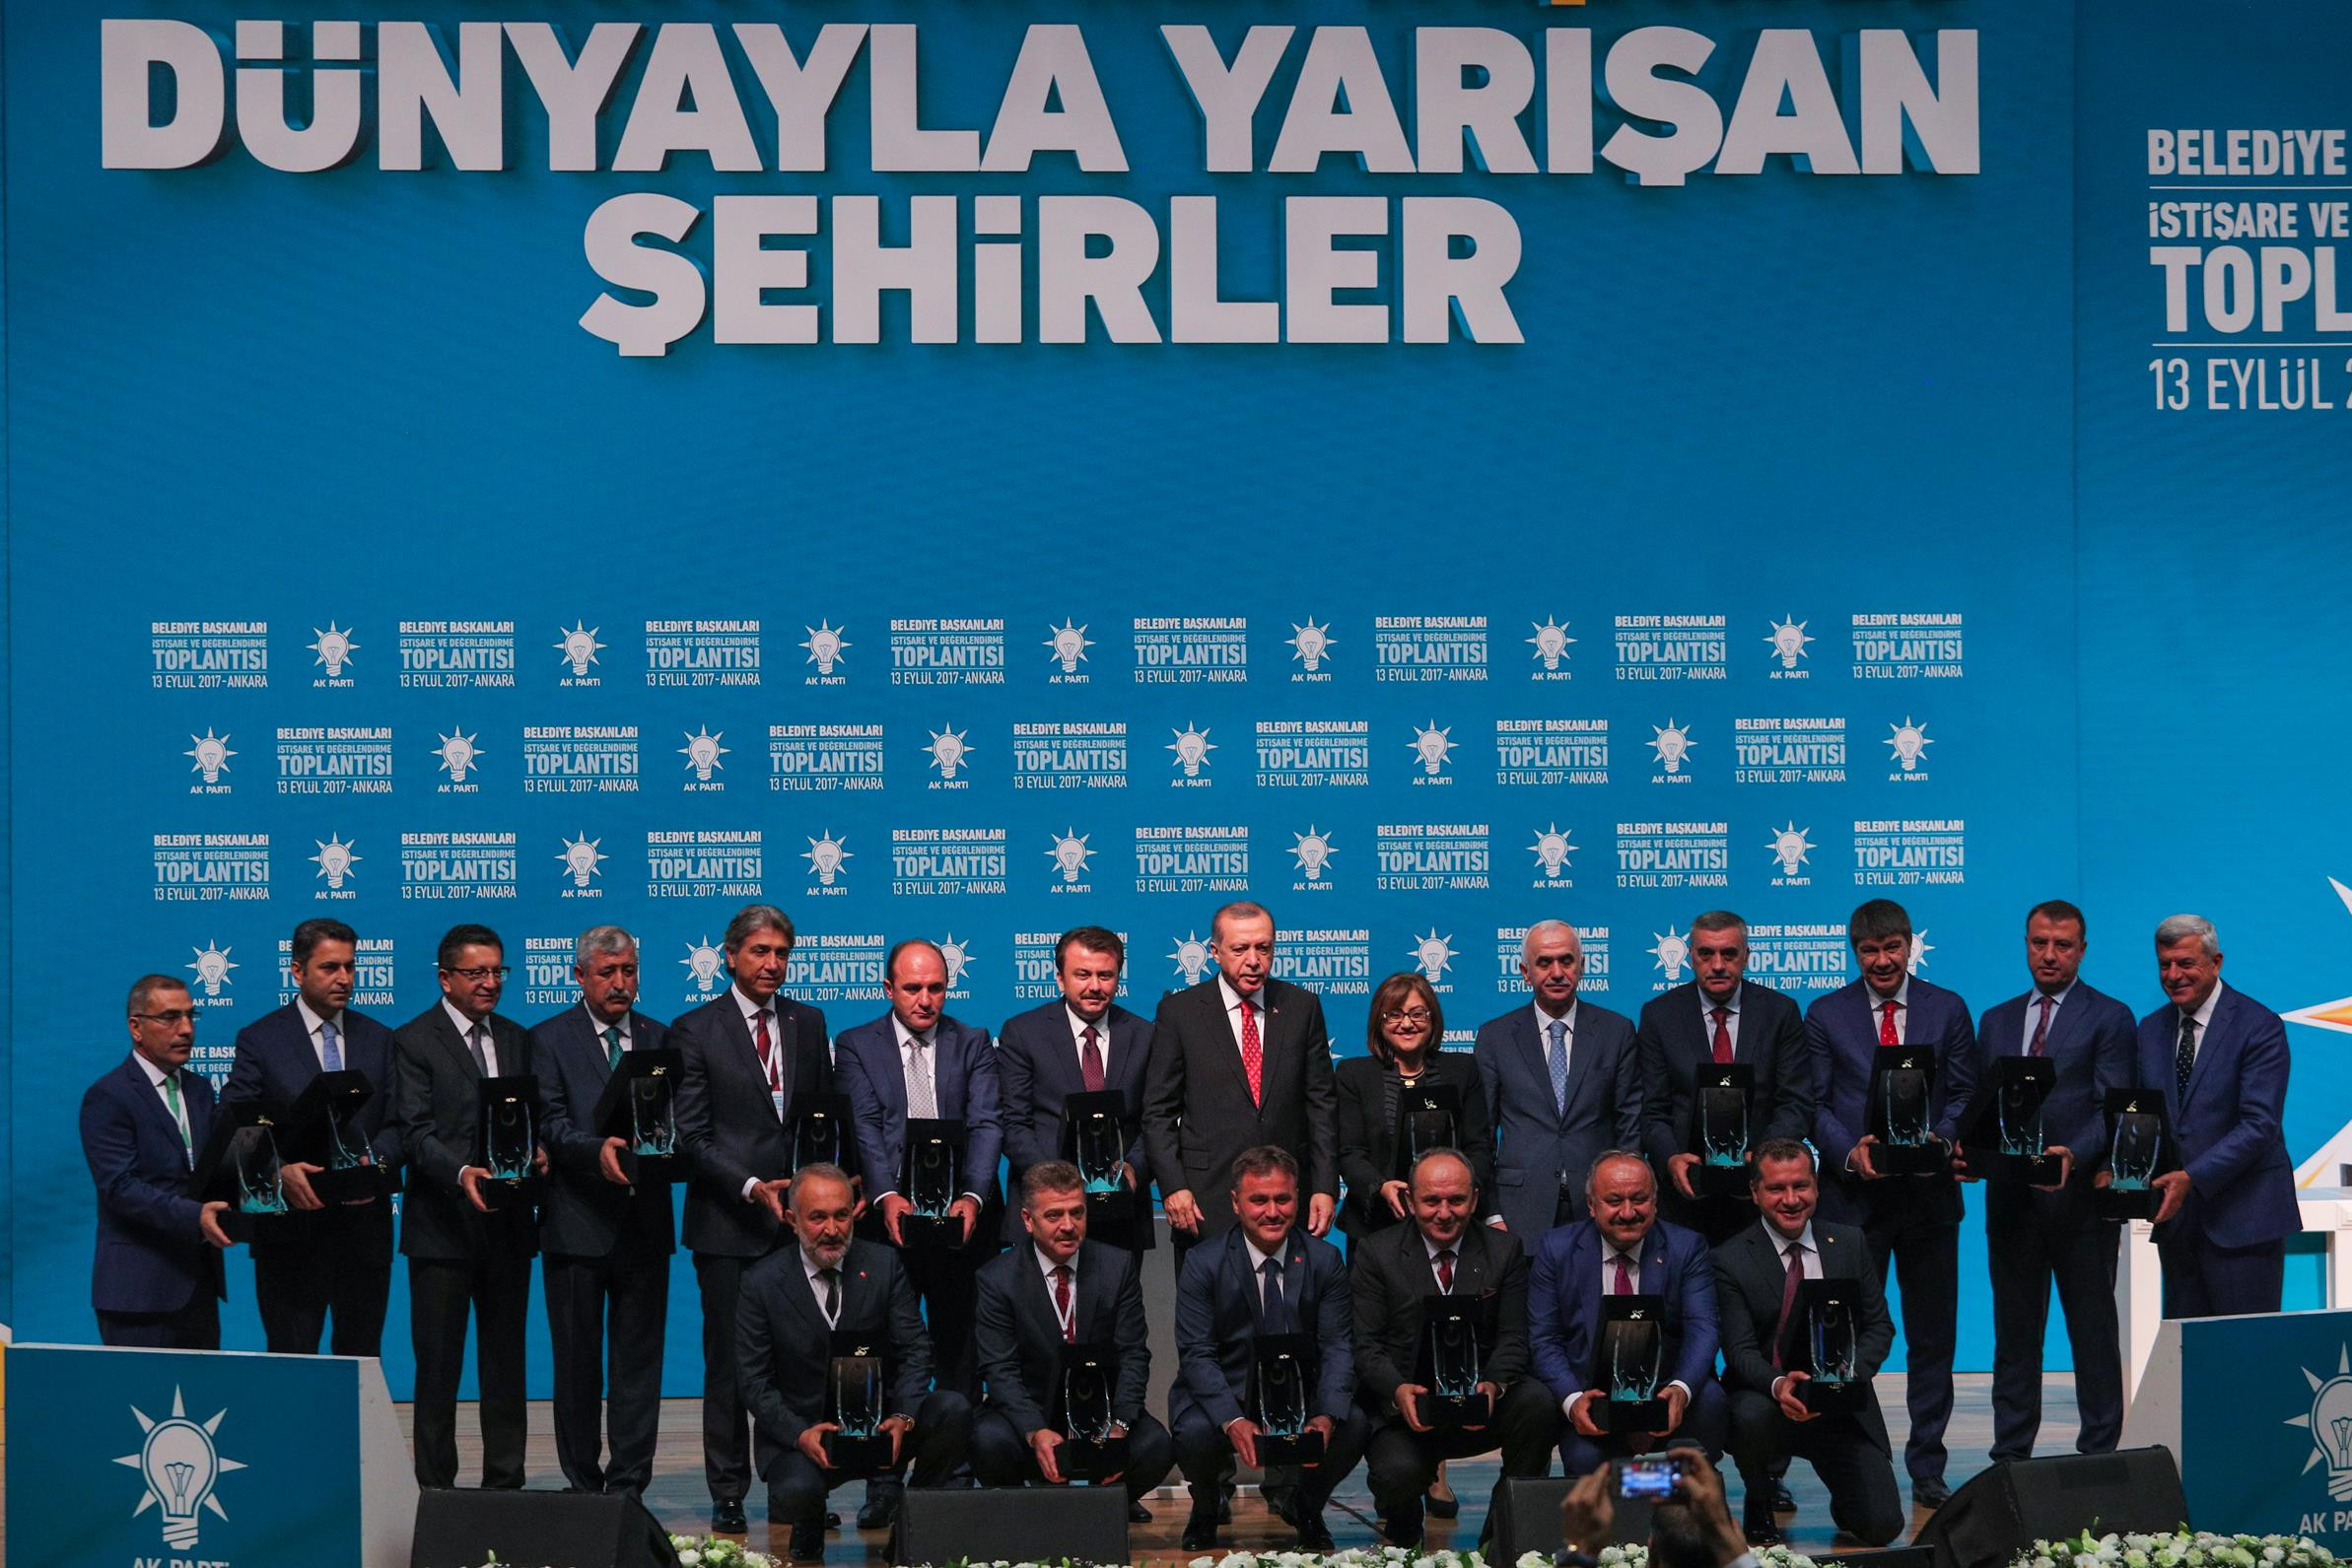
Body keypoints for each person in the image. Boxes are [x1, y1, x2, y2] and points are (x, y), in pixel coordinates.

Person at [1804, 898, 1976, 1509]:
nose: (1882, 960)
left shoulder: (1947, 1008)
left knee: (1933, 1340)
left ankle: (1928, 1466)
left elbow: (1965, 1093)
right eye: (1869, 950)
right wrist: (1849, 1153)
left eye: (1892, 947)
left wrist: (1943, 1140)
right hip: (1853, 1203)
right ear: (1855, 951)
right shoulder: (1825, 1013)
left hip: (1930, 1200)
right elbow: (1813, 1103)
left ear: (1910, 946)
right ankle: (1861, 1467)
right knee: (1846, 1342)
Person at [673, 903, 835, 1534]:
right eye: (760, 951)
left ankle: (801, 1488)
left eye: (781, 953)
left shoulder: (807, 1021)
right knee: (729, 1367)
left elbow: (822, 1118)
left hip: (798, 1228)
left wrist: (818, 1190)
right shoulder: (695, 1029)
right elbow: (691, 1135)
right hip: (728, 1224)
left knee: (802, 1361)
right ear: (730, 956)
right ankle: (727, 1491)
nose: (772, 963)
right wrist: (749, 1186)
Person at [836, 938, 1002, 1524]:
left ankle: (953, 1479)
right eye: (912, 988)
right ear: (889, 989)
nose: (925, 999)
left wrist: (973, 1195)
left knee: (960, 1348)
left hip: (962, 1222)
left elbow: (986, 1123)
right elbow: (865, 1125)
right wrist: (885, 1194)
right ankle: (883, 1481)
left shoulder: (973, 1041)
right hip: (890, 1224)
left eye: (936, 987)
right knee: (884, 1351)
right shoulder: (856, 1045)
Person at [736, 1164, 972, 1564]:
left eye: (841, 1215)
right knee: (796, 1491)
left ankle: (909, 1521)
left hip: (881, 1428)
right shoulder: (761, 1282)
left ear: (854, 1213)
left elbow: (916, 1349)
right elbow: (753, 1381)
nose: (832, 1230)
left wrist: (902, 1416)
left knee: (952, 1410)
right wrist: (800, 1434)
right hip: (807, 1432)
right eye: (818, 1218)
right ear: (792, 1220)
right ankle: (809, 1523)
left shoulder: (884, 1264)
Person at [1971, 901, 2135, 1462]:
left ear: (2082, 951)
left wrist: (2075, 1154)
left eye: (2062, 945)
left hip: (2081, 1204)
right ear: (2025, 943)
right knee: (2014, 1338)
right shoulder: (1995, 1019)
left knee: (2093, 1336)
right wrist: (1968, 1153)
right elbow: (1981, 1106)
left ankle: (2100, 1458)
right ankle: (2010, 1459)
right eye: (2039, 942)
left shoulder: (2110, 1016)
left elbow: (2112, 1107)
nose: (2049, 954)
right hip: (2010, 1203)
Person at [390, 922, 540, 1490]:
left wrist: (539, 1150)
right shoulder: (413, 1040)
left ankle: (505, 1486)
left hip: (508, 1227)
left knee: (506, 1367)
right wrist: (460, 1172)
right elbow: (414, 1131)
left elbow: (529, 1117)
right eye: (476, 972)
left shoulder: (518, 1037)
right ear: (445, 978)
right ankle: (435, 1492)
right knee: (438, 1370)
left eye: (498, 971)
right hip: (441, 1230)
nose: (490, 983)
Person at [1350, 1146, 1559, 1546]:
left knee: (1538, 1404)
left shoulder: (1504, 1250)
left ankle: (1500, 1537)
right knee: (1395, 1474)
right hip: (1408, 1411)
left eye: (1456, 1200)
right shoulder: (1376, 1253)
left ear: (1475, 1199)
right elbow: (1366, 1345)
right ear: (1411, 1200)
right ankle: (1404, 1531)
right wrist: (1397, 1390)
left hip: (1481, 1406)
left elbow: (1515, 1336)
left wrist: (1495, 1385)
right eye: (1431, 1201)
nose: (1444, 1213)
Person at [1170, 1145, 1370, 1553]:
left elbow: (1337, 1345)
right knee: (1193, 1431)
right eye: (1259, 1200)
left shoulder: (1325, 1260)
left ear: (1297, 1198)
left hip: (1301, 1392)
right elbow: (1196, 1354)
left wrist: (1326, 1414)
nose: (1272, 1212)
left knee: (1354, 1423)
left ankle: (1306, 1508)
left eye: (1283, 1199)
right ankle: (1206, 1507)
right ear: (1236, 1203)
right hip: (1232, 1390)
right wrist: (1232, 1420)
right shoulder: (1203, 1262)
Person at [533, 925, 673, 1497]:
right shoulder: (548, 1039)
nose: (620, 983)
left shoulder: (661, 1038)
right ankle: (584, 1488)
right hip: (576, 1225)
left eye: (629, 971)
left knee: (639, 1367)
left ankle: (629, 1487)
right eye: (607, 972)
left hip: (645, 1225)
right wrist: (597, 1151)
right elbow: (549, 1122)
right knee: (576, 1367)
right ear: (579, 976)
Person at [222, 917, 399, 1354]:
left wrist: (373, 1163)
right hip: (290, 1234)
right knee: (292, 1365)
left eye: (350, 966)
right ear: (297, 971)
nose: (344, 978)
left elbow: (400, 1123)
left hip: (364, 1234)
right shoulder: (260, 1040)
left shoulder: (379, 1038)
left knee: (361, 1362)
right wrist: (278, 1171)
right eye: (330, 967)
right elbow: (235, 1125)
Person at [1712, 1140, 1902, 1547]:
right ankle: (1759, 1497)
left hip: (1840, 1404)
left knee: (1882, 1526)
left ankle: (1848, 1499)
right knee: (1748, 1415)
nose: (1791, 1199)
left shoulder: (1850, 1242)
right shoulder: (1730, 1258)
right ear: (1755, 1192)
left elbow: (1879, 1327)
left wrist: (1847, 1377)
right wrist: (1779, 1385)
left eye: (1801, 1186)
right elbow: (1739, 1351)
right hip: (1769, 1402)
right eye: (1776, 1188)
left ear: (1816, 1187)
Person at [971, 1160, 1174, 1520]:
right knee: (986, 1440)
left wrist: (1121, 1425)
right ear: (1027, 1220)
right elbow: (1000, 1369)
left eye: (1077, 1213)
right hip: (1034, 1411)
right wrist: (1034, 1430)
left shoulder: (1117, 1266)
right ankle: (1032, 1515)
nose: (1068, 1226)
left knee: (1156, 1446)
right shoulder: (997, 1279)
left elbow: (1133, 1354)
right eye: (1054, 1215)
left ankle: (1101, 1508)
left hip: (1102, 1412)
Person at [1143, 901, 1340, 1257]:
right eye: (1240, 949)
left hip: (1286, 1199)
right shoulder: (1179, 1012)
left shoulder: (1301, 1007)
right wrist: (1172, 1186)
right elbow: (1158, 1112)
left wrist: (1326, 1187)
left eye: (1263, 948)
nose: (1253, 960)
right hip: (1204, 1201)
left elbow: (1321, 1105)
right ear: (1215, 952)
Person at [2126, 914, 2296, 1318]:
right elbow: (2143, 1117)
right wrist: (2117, 1171)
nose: (2173, 975)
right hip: (2179, 1226)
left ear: (2216, 962)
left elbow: (2259, 1125)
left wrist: (2192, 1177)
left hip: (2245, 1222)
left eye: (2186, 963)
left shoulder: (2259, 1026)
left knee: (2245, 1348)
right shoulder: (2150, 1029)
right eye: (2164, 964)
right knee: (2188, 1349)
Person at [1529, 1150, 1726, 1475]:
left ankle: (1693, 1493)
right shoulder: (1555, 1250)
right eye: (1614, 1201)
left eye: (1639, 1199)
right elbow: (1544, 1340)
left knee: (1710, 1399)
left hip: (1664, 1394)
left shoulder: (1687, 1248)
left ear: (1655, 1202)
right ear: (1591, 1205)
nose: (1628, 1212)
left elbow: (1703, 1329)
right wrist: (1574, 1401)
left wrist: (1680, 1390)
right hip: (1593, 1399)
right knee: (1587, 1469)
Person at [1634, 912, 1814, 1245]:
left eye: (1729, 953)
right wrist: (1670, 1158)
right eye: (1706, 953)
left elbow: (1796, 1102)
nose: (1717, 965)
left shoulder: (1780, 1011)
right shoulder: (1659, 1015)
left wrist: (1765, 1158)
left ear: (1746, 956)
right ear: (1691, 957)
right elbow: (1652, 1109)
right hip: (1685, 1191)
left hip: (1760, 1193)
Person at [81, 974, 237, 1346]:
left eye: (190, 1016)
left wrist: (274, 1178)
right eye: (170, 1017)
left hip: (199, 1286)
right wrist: (194, 1216)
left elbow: (213, 1170)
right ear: (136, 1027)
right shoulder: (109, 1096)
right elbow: (120, 1188)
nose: (186, 1029)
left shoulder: (200, 1090)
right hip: (137, 1293)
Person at [1475, 920, 1642, 1242]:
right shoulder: (1495, 1037)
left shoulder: (1616, 1031)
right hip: (1518, 1212)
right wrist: (1491, 1212)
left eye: (1566, 961)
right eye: (1544, 963)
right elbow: (1481, 1135)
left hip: (1601, 1206)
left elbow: (1629, 1127)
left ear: (1582, 966)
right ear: (1525, 972)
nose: (1556, 972)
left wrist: (1625, 1200)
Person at [998, 926, 1155, 1253]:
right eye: (1082, 974)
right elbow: (1014, 1124)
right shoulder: (1023, 1033)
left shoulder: (1145, 1035)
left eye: (1105, 975)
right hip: (1046, 1210)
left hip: (1121, 1215)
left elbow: (1155, 1119)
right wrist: (1054, 1183)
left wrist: (1134, 1169)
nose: (1095, 986)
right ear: (1060, 978)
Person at [1338, 972, 1494, 1240]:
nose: (1407, 1024)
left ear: (1432, 1019)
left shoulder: (1462, 1069)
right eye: (1394, 1015)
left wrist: (1455, 1192)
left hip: (1452, 1219)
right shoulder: (1353, 1074)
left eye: (1417, 1014)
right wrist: (1380, 1187)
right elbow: (1349, 1152)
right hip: (1376, 1224)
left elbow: (1479, 1146)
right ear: (1379, 1021)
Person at [1556, 1452, 1762, 1568]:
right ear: (1736, 1533)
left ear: (1651, 1547)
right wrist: (1730, 1546)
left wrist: (1581, 1548)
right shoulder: (1732, 1546)